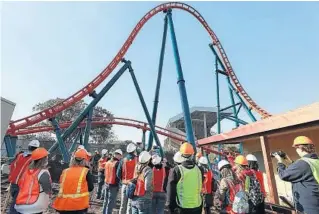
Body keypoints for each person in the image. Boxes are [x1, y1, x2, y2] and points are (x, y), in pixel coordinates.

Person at [275, 136, 319, 214]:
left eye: (296, 148)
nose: (296, 150)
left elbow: (284, 175)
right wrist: (290, 162)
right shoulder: (315, 161)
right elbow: (303, 172)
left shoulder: (302, 163)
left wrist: (280, 162)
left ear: (301, 148)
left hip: (308, 207)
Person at [52, 149, 94, 214]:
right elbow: (91, 188)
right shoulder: (85, 171)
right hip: (79, 206)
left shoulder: (65, 171)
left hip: (63, 205)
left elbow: (62, 184)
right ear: (84, 160)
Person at [167, 142, 203, 214]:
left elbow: (171, 191)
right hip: (197, 207)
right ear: (192, 154)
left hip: (182, 207)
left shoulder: (176, 170)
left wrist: (171, 207)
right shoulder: (199, 169)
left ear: (181, 154)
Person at [14, 147, 52, 214]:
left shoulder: (26, 172)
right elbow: (47, 189)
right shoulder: (43, 173)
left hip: (21, 204)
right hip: (35, 206)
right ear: (44, 159)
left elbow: (20, 185)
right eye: (47, 157)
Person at [8, 140, 40, 214]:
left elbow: (12, 166)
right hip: (22, 185)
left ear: (28, 147)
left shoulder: (19, 155)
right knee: (17, 205)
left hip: (13, 183)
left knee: (16, 202)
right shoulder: (34, 159)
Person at [117, 142, 138, 214]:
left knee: (122, 205)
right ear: (134, 150)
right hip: (133, 185)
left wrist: (123, 180)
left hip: (124, 184)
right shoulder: (137, 160)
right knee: (130, 205)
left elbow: (118, 174)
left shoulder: (123, 160)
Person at [103, 149, 123, 214]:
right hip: (113, 185)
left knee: (105, 201)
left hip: (106, 183)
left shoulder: (108, 162)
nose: (121, 157)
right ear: (119, 155)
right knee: (110, 202)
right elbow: (119, 175)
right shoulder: (117, 163)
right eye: (121, 156)